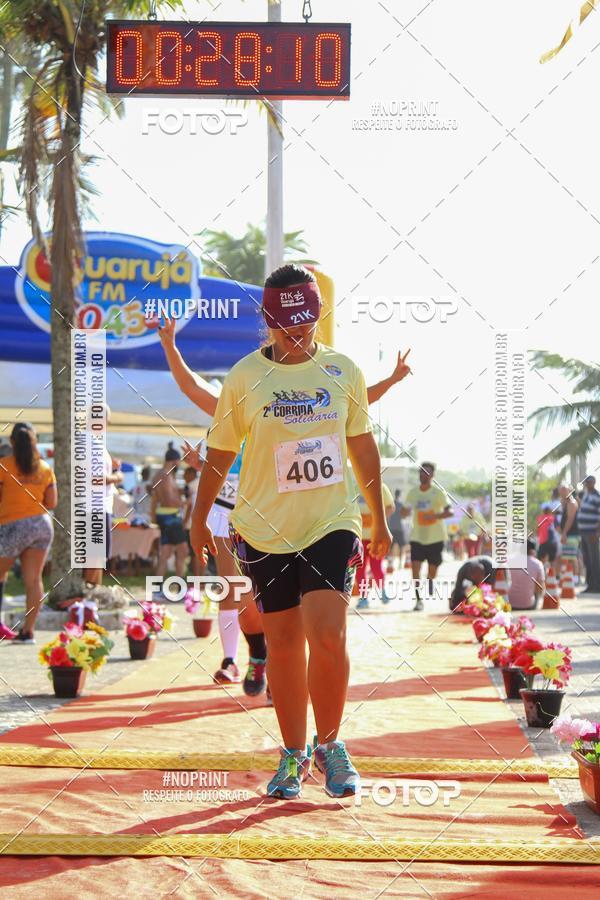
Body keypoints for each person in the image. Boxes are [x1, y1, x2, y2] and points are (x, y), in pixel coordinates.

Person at [190, 264, 392, 800]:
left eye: (306, 326)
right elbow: (220, 452)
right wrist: (198, 514)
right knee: (281, 643)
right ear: (268, 323)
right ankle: (293, 753)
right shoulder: (243, 378)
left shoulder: (342, 370)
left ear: (318, 318)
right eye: (286, 327)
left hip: (331, 521)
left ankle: (331, 746)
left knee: (327, 633)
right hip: (261, 525)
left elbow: (361, 445)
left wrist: (380, 517)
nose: (297, 335)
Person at [159, 314, 411, 695]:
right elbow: (190, 387)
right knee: (241, 598)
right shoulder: (238, 398)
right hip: (236, 514)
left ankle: (279, 669)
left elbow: (354, 400)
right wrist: (170, 347)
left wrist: (391, 382)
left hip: (300, 511)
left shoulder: (315, 396)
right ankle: (254, 655)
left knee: (306, 610)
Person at [0, 423, 57, 642]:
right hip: (41, 525)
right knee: (33, 580)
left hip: (12, 525)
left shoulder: (4, 465)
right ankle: (28, 632)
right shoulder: (44, 468)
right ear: (34, 442)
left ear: (12, 442)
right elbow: (51, 502)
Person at [401, 462, 453, 611]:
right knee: (415, 570)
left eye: (427, 472)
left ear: (432, 475)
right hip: (417, 537)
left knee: (432, 570)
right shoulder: (412, 493)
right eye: (421, 472)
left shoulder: (438, 492)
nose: (423, 475)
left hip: (435, 538)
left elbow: (450, 512)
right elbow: (404, 512)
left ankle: (430, 580)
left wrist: (435, 515)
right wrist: (405, 511)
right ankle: (418, 600)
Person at [83, 404, 123, 586]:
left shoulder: (92, 442)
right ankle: (89, 600)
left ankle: (93, 598)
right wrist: (117, 477)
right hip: (95, 508)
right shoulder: (92, 443)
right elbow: (96, 479)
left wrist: (112, 469)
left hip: (96, 506)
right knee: (95, 557)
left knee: (97, 558)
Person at [151, 443, 189, 582]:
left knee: (166, 553)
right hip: (170, 517)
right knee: (182, 551)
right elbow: (168, 501)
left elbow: (158, 498)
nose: (179, 465)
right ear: (174, 461)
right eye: (178, 462)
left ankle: (158, 589)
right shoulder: (165, 476)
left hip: (167, 516)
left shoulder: (163, 474)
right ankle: (179, 586)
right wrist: (186, 502)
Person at [356, 482, 395, 608]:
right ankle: (363, 598)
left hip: (376, 537)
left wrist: (378, 519)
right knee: (359, 569)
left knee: (376, 567)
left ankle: (383, 591)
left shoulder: (381, 486)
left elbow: (390, 507)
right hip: (358, 536)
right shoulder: (353, 486)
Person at [578, 475, 600, 594]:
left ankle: (597, 585)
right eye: (586, 483)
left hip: (592, 533)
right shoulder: (586, 495)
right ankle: (590, 585)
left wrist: (597, 532)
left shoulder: (597, 497)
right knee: (587, 560)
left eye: (589, 482)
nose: (587, 484)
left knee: (594, 559)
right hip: (583, 532)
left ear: (594, 483)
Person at [507, 540, 545, 610]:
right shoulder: (538, 564)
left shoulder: (509, 560)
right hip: (529, 604)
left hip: (509, 603)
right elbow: (540, 588)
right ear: (533, 551)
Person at [557, 483, 579, 578]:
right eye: (561, 491)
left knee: (572, 557)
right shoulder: (566, 503)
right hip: (568, 533)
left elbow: (570, 519)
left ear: (569, 491)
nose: (562, 493)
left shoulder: (571, 503)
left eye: (564, 491)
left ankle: (575, 578)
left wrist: (564, 533)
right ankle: (571, 577)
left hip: (572, 534)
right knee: (568, 557)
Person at [387, 488, 409, 569]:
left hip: (391, 528)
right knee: (401, 546)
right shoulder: (401, 504)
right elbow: (404, 516)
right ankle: (400, 563)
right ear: (399, 495)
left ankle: (390, 563)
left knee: (391, 547)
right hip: (399, 528)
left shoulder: (391, 504)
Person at [536, 501, 559, 566]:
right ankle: (554, 575)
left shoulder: (539, 518)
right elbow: (558, 529)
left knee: (541, 562)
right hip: (552, 542)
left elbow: (538, 530)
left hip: (543, 542)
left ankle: (542, 575)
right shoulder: (553, 518)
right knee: (552, 562)